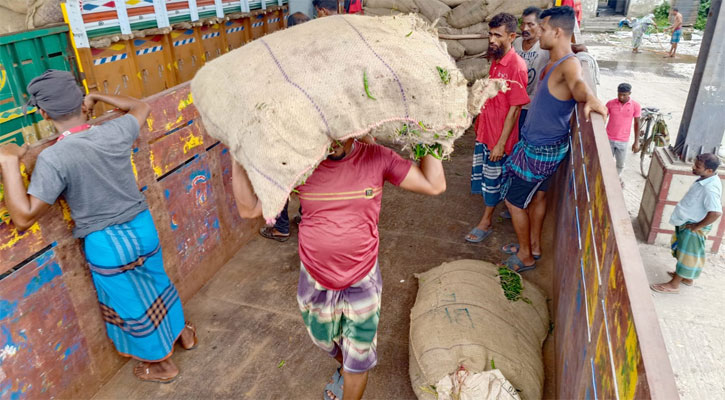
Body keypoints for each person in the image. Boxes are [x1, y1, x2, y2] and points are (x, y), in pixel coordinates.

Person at [0, 70, 196, 383]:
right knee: (158, 283)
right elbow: (140, 107)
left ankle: (161, 365)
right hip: (143, 227)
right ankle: (182, 333)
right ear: (81, 100)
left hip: (108, 243)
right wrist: (98, 96)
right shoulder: (115, 130)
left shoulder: (54, 158)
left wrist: (9, 162)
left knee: (132, 305)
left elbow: (23, 218)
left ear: (44, 113)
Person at [231, 138, 446, 399]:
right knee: (323, 338)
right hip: (314, 278)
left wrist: (431, 134)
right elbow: (248, 208)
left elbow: (434, 184)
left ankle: (351, 370)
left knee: (359, 357)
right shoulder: (300, 164)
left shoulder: (377, 157)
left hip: (362, 278)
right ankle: (344, 367)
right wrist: (236, 151)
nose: (331, 138)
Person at [499, 6, 607, 272]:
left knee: (513, 201)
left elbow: (579, 85)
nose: (538, 33)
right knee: (538, 198)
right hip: (544, 146)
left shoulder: (568, 64)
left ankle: (525, 255)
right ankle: (533, 246)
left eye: (543, 29)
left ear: (558, 32)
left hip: (539, 151)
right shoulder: (555, 61)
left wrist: (592, 98)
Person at [466, 13, 530, 243]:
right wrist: (479, 122)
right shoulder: (496, 60)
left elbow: (514, 109)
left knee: (492, 181)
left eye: (497, 35)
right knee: (485, 178)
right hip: (487, 131)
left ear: (512, 36)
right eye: (490, 34)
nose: (492, 40)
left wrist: (501, 143)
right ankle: (495, 209)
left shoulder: (517, 67)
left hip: (499, 137)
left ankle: (486, 222)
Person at [650, 154, 722, 294]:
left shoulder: (710, 188)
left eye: (698, 166)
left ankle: (674, 285)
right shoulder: (706, 179)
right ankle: (686, 278)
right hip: (689, 222)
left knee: (687, 256)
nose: (693, 167)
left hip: (694, 226)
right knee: (685, 252)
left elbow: (716, 213)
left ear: (709, 170)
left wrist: (697, 226)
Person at [513, 7, 550, 132]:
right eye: (522, 24)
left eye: (530, 24)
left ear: (540, 25)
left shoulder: (545, 46)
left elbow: (565, 49)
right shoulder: (516, 43)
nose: (524, 28)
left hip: (531, 106)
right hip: (513, 102)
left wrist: (579, 50)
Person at [605, 83, 641, 177]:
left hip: (623, 141)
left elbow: (637, 123)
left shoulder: (635, 106)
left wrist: (636, 142)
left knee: (620, 164)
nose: (621, 97)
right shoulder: (610, 103)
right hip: (608, 138)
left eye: (624, 95)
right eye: (619, 94)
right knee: (605, 161)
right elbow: (603, 118)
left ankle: (616, 178)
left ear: (629, 93)